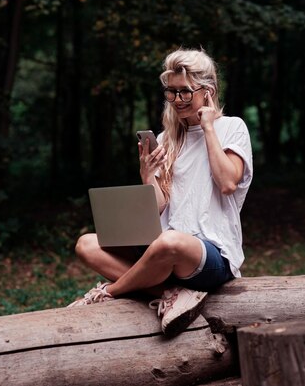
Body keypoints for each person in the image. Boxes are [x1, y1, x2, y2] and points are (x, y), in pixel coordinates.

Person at [68, 48, 253, 337]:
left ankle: (109, 292)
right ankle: (172, 293)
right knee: (86, 244)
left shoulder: (231, 128)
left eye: (185, 92)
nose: (177, 100)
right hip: (163, 251)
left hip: (210, 256)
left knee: (170, 243)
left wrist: (207, 129)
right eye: (171, 92)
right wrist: (146, 175)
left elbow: (228, 182)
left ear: (208, 91)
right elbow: (160, 205)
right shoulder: (167, 138)